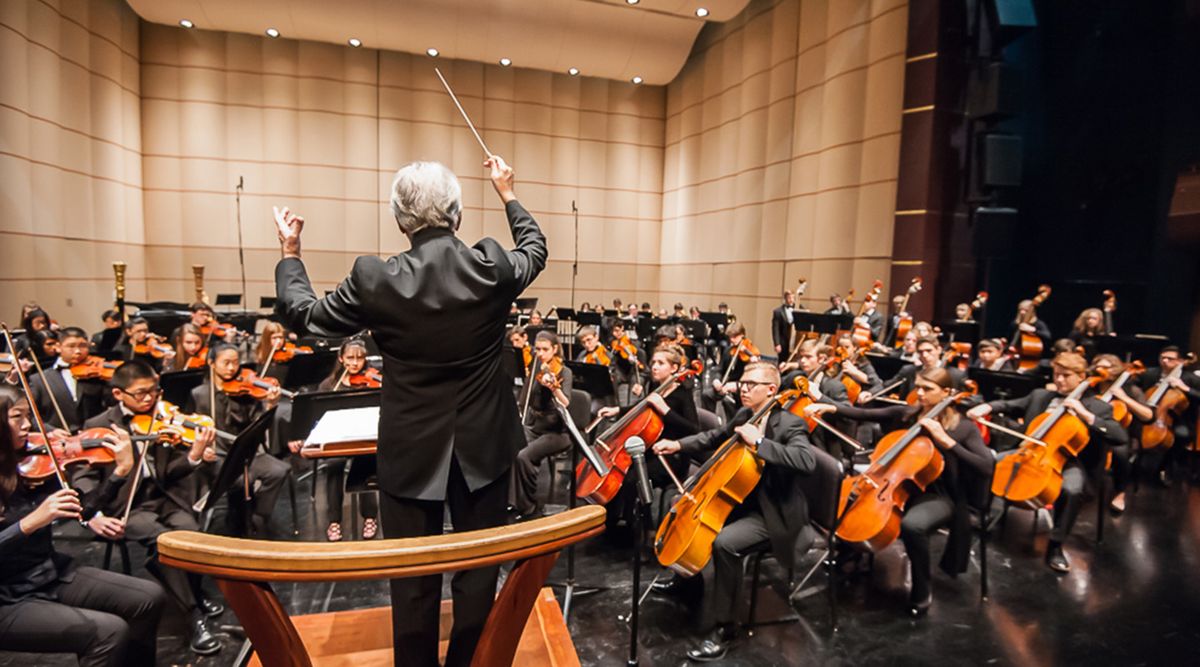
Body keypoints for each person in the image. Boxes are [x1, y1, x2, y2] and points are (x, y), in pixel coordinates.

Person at [272, 155, 546, 667]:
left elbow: (306, 316)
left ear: (400, 220)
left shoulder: (375, 279)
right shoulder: (491, 265)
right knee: (478, 574)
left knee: (412, 580)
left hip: (411, 450)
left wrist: (291, 253)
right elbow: (535, 248)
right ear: (458, 215)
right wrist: (507, 192)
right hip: (485, 449)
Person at [653, 361, 815, 661]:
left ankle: (725, 629)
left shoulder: (790, 423)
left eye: (751, 384)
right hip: (741, 498)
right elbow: (714, 438)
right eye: (742, 383)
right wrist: (678, 444)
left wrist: (761, 443)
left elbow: (806, 462)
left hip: (773, 511)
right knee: (682, 502)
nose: (743, 388)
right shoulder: (744, 414)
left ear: (771, 389)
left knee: (725, 543)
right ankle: (685, 580)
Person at [0, 384, 166, 667]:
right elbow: (27, 525)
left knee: (148, 597)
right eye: (18, 417)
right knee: (108, 632)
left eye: (29, 416)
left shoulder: (30, 464)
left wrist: (119, 473)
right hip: (7, 597)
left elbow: (82, 511)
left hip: (48, 574)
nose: (29, 425)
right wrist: (29, 523)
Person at [806, 368, 993, 615]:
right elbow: (866, 413)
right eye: (919, 387)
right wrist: (831, 407)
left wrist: (947, 442)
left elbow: (986, 466)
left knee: (912, 526)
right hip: (898, 485)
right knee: (849, 502)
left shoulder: (963, 428)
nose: (921, 394)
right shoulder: (908, 414)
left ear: (946, 393)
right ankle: (849, 554)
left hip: (941, 495)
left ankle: (922, 590)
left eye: (928, 389)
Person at [81, 361, 223, 655]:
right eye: (141, 393)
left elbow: (167, 473)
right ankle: (194, 615)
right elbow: (82, 479)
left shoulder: (161, 419)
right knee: (164, 543)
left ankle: (195, 590)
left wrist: (194, 456)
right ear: (119, 394)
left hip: (164, 498)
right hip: (127, 507)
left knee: (192, 533)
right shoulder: (97, 426)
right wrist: (92, 514)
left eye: (154, 391)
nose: (150, 398)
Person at [967, 352, 1126, 572]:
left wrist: (1085, 415)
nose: (1059, 380)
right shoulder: (1041, 396)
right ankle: (982, 514)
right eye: (1056, 374)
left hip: (1069, 460)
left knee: (1071, 490)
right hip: (1032, 452)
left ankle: (1056, 545)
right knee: (986, 462)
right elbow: (1011, 404)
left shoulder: (1096, 406)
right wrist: (989, 407)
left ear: (1081, 377)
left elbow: (1119, 437)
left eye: (1066, 375)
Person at [186, 344, 288, 536]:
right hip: (217, 456)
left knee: (279, 470)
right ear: (212, 364)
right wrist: (202, 448)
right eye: (226, 363)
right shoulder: (199, 394)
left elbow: (259, 425)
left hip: (246, 453)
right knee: (238, 482)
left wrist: (270, 406)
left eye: (235, 363)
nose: (232, 368)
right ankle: (236, 527)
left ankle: (259, 516)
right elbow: (190, 426)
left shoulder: (246, 392)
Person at [596, 343, 698, 529]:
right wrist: (617, 409)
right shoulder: (655, 386)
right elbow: (642, 406)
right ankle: (611, 522)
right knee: (617, 470)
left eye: (661, 363)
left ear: (674, 368)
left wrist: (665, 409)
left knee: (632, 478)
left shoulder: (683, 394)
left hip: (671, 457)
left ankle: (640, 529)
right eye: (654, 362)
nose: (655, 366)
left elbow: (694, 430)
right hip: (650, 449)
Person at [288, 339, 380, 541]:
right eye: (350, 358)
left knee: (366, 464)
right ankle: (334, 521)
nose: (355, 363)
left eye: (360, 358)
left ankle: (370, 517)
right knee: (333, 465)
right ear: (341, 358)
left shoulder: (372, 381)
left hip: (362, 438)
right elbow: (315, 418)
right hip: (337, 440)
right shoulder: (329, 384)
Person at [513, 331, 572, 519]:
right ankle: (514, 501)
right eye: (537, 349)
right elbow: (525, 399)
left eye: (545, 349)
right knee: (507, 447)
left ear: (555, 349)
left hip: (557, 431)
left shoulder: (564, 372)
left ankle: (529, 506)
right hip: (535, 426)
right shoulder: (535, 369)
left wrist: (554, 388)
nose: (540, 353)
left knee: (524, 457)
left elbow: (566, 403)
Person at [1090, 353, 1152, 512]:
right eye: (1099, 367)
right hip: (1092, 431)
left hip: (1119, 435)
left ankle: (1120, 492)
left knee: (1120, 453)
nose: (1101, 370)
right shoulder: (1091, 387)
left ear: (1116, 369)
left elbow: (1148, 415)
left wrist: (1124, 398)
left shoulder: (1131, 390)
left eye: (1106, 367)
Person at [1136, 345, 1200, 485]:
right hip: (1149, 414)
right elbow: (1135, 388)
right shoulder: (1150, 373)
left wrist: (1184, 388)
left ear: (1180, 361)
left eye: (1170, 359)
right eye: (1162, 358)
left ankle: (1166, 466)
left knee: (1181, 435)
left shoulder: (1190, 378)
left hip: (1179, 419)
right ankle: (1133, 464)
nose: (1165, 361)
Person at [29, 327, 108, 431]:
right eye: (71, 346)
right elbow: (30, 415)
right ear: (58, 347)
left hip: (94, 436)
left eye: (83, 346)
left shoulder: (96, 374)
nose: (78, 351)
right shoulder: (38, 379)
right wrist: (51, 431)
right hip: (57, 439)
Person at [771, 290, 796, 357]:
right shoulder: (778, 312)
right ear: (785, 299)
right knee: (782, 360)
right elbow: (775, 329)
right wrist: (777, 344)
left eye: (793, 298)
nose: (791, 300)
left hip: (794, 341)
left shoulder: (798, 309)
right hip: (783, 342)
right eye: (789, 298)